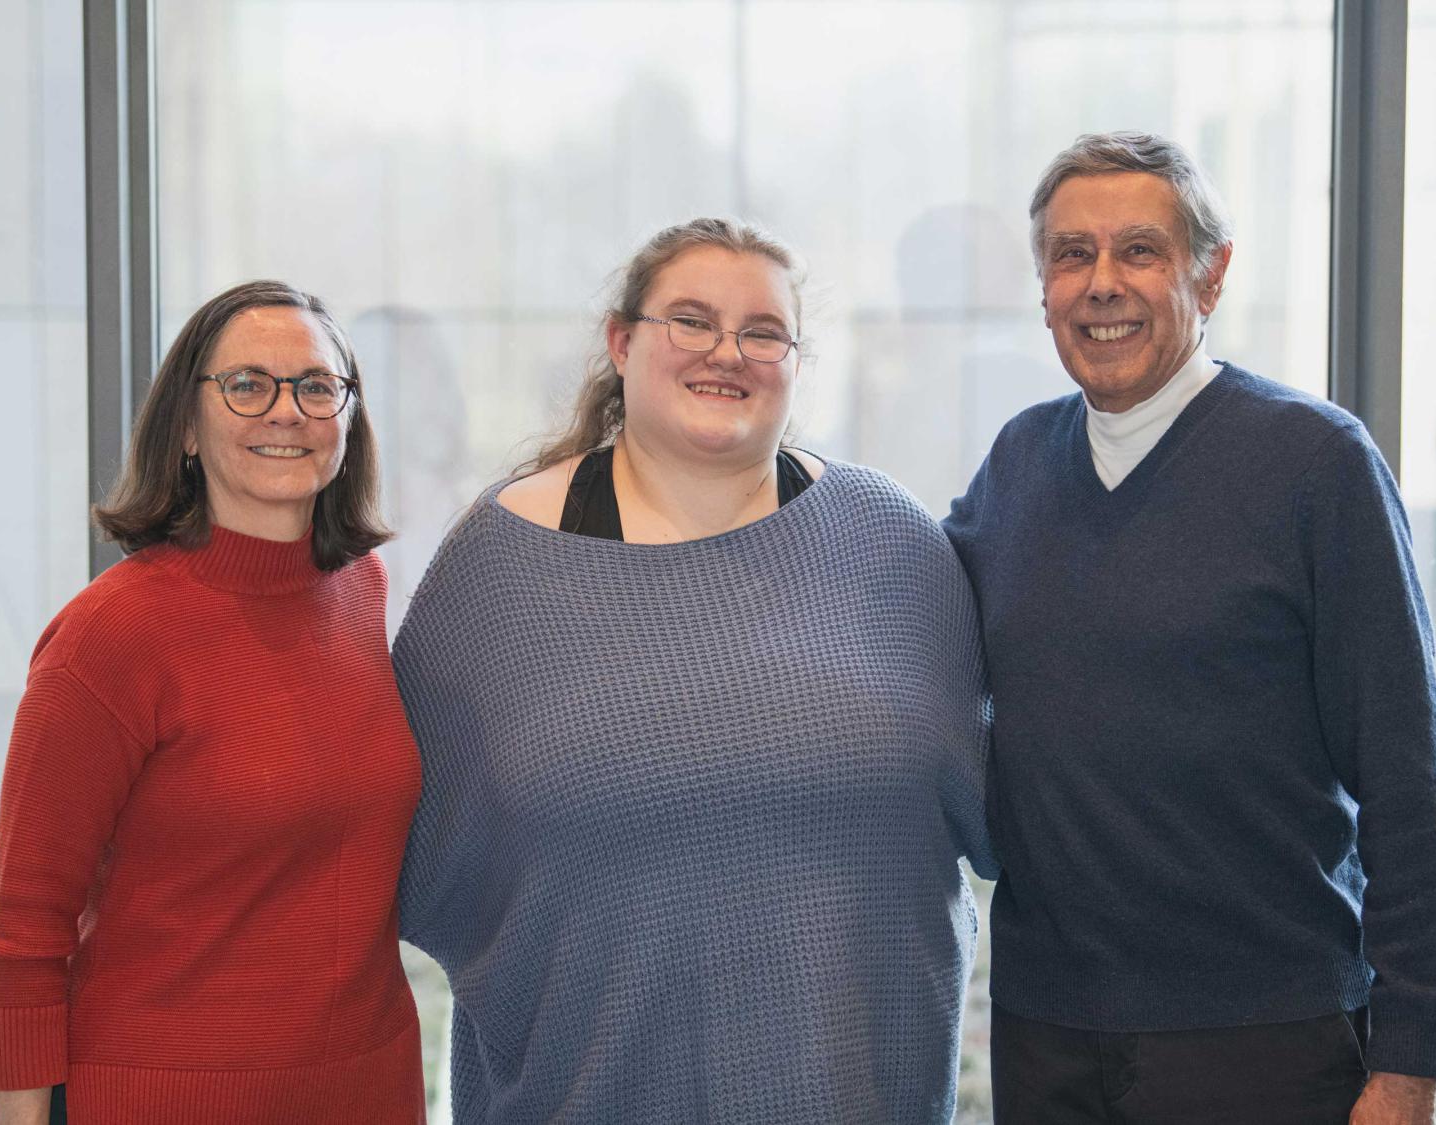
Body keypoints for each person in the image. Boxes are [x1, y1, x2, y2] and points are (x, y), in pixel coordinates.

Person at [393, 217, 997, 1123]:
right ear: (621, 341)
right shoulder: (498, 565)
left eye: (763, 331)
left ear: (797, 362)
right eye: (691, 320)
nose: (728, 353)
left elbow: (1004, 810)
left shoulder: (889, 541)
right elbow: (409, 858)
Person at [944, 131, 1436, 1125]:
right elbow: (897, 623)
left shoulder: (1317, 464)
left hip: (1267, 1037)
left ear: (1211, 274)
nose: (1102, 282)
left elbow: (1407, 773)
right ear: (1044, 288)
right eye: (1071, 254)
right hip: (1046, 1032)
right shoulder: (1016, 466)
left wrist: (1409, 1061)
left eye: (1139, 250)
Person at [0, 281, 425, 1125]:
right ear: (186, 427)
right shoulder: (109, 636)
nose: (286, 411)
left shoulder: (362, 591)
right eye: (247, 384)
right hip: (160, 1097)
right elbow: (24, 931)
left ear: (348, 418)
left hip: (368, 1091)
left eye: (316, 385)